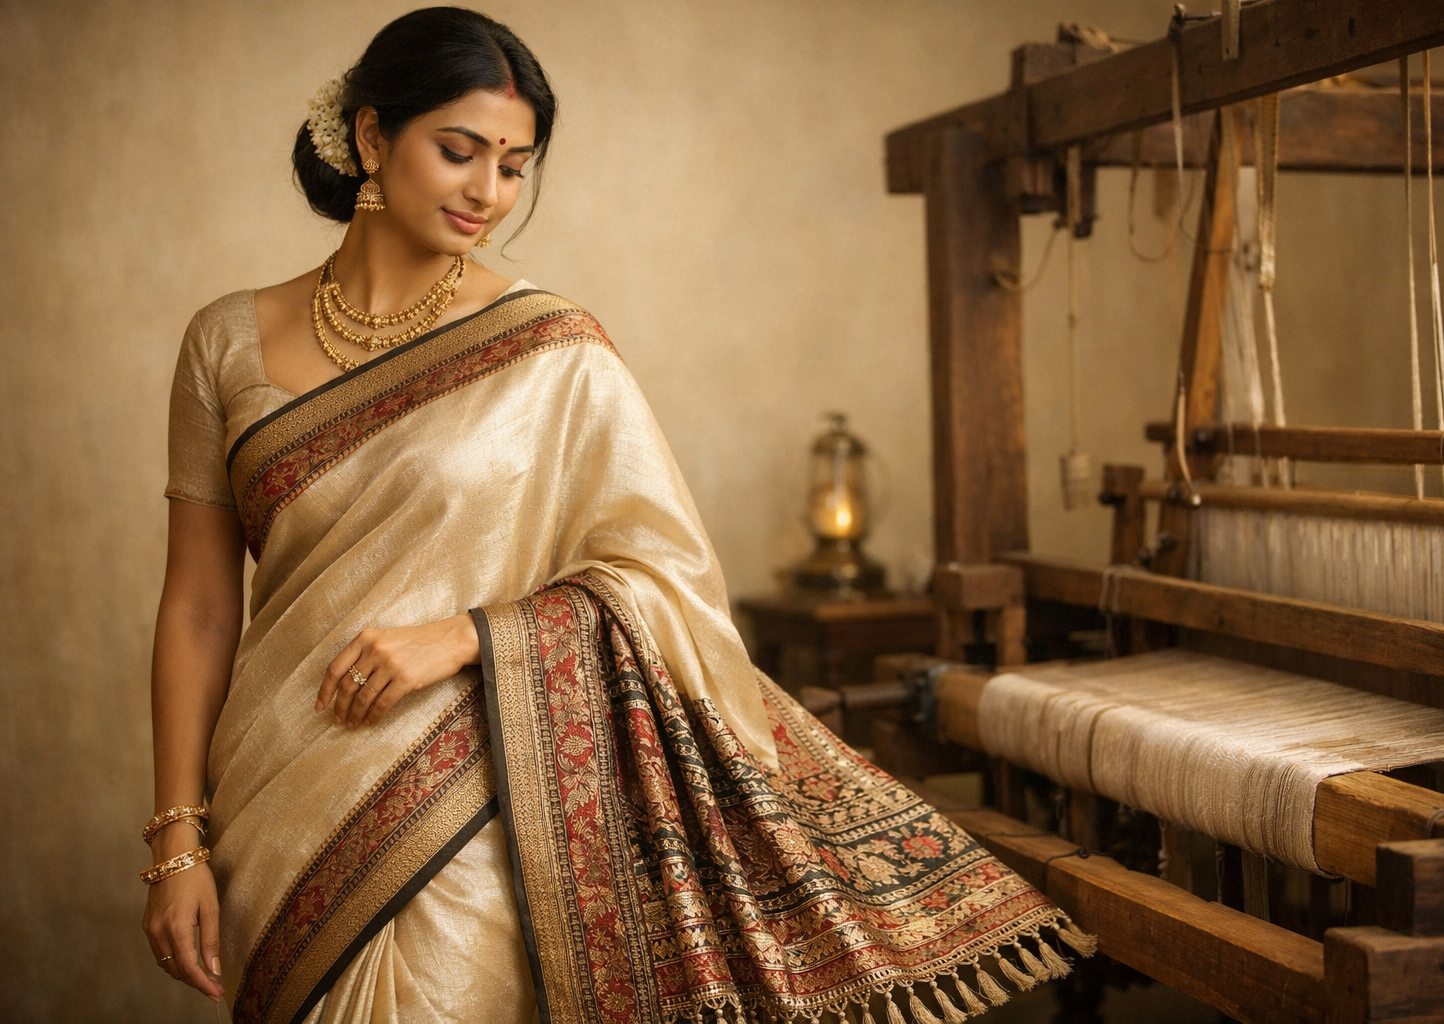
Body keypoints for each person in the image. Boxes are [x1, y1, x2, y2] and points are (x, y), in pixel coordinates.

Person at [141, 8, 1091, 1023]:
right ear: (372, 136)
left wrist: (468, 636)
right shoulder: (225, 344)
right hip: (276, 803)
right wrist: (178, 840)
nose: (487, 192)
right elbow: (198, 608)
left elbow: (667, 579)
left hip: (463, 810)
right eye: (459, 151)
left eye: (514, 165)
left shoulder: (551, 350)